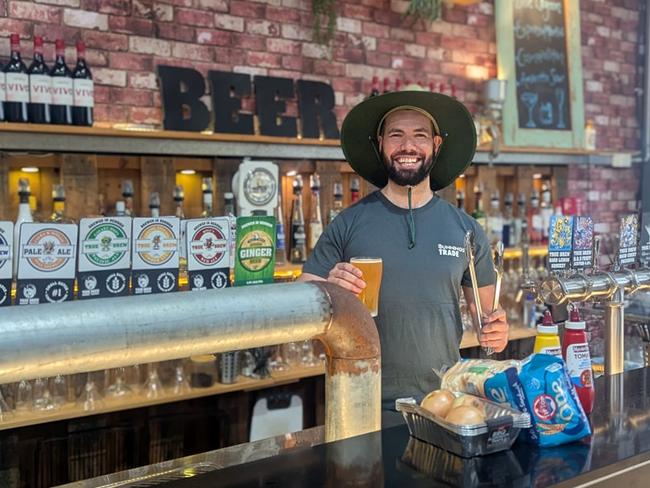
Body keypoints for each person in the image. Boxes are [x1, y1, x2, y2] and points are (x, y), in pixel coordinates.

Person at [299, 88, 509, 406]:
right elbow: (301, 310)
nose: (407, 146)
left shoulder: (466, 229)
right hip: (360, 401)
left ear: (436, 145)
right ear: (380, 144)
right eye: (395, 135)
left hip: (442, 403)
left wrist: (497, 332)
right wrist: (329, 293)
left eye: (420, 135)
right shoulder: (347, 223)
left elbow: (488, 321)